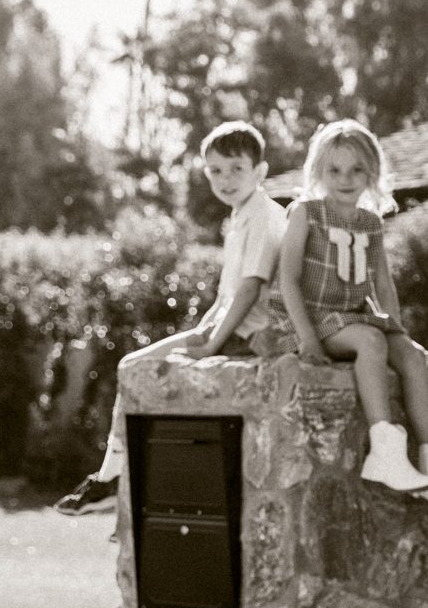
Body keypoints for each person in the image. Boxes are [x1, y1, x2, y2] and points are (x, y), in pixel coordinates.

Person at [56, 121, 288, 515]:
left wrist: (211, 347)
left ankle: (117, 482)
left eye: (236, 168)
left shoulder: (265, 215)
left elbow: (250, 289)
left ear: (260, 171)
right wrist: (201, 333)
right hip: (221, 329)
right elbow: (226, 296)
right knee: (132, 365)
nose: (226, 179)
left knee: (148, 375)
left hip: (248, 337)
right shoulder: (239, 217)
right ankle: (111, 479)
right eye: (216, 170)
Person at [256, 120, 428, 511]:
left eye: (357, 170)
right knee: (370, 341)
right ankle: (384, 454)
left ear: (372, 172)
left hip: (352, 316)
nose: (345, 179)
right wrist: (308, 339)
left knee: (411, 356)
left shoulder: (370, 223)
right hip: (309, 319)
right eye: (334, 170)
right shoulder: (306, 213)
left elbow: (383, 285)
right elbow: (288, 279)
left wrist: (398, 333)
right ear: (318, 171)